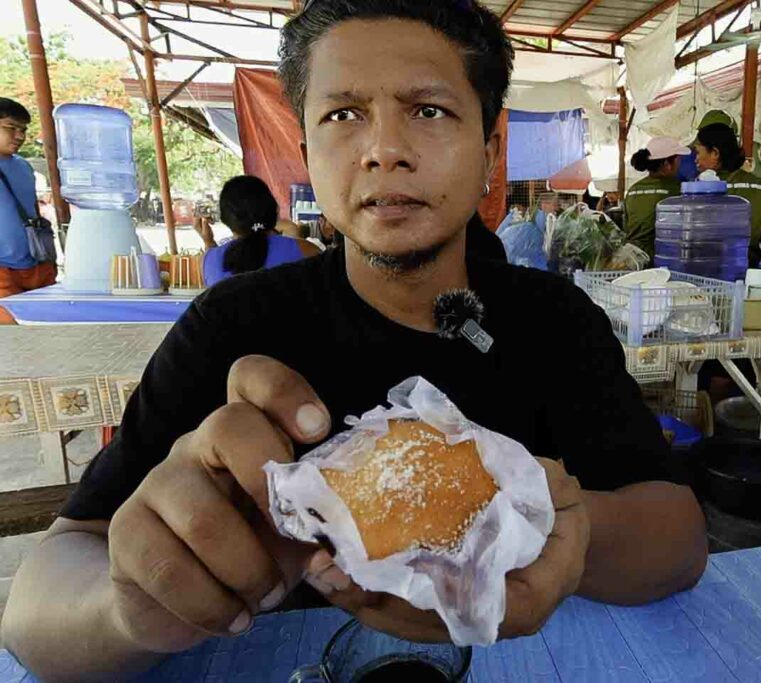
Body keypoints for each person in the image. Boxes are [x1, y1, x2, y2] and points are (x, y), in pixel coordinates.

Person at [1, 1, 707, 678]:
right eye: (344, 114)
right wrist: (129, 607)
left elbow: (679, 541)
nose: (385, 150)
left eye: (429, 111)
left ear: (490, 151)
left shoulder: (554, 319)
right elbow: (38, 613)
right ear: (307, 149)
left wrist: (549, 523)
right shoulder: (232, 326)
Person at [192, 175, 320, 286]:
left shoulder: (208, 262)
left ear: (226, 219)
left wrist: (208, 241)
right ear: (274, 210)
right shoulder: (308, 251)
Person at [692, 122, 761, 268]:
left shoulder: (699, 188)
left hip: (705, 270)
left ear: (715, 153)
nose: (696, 159)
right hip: (748, 271)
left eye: (698, 152)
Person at [0, 98, 56, 324]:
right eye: (11, 128)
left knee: (43, 329)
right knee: (11, 334)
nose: (20, 136)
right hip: (3, 272)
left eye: (22, 130)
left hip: (37, 265)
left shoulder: (23, 166)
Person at [622, 137, 688, 259]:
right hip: (660, 257)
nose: (680, 163)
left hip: (631, 257)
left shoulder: (633, 189)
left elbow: (627, 226)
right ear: (667, 164)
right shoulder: (677, 189)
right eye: (678, 159)